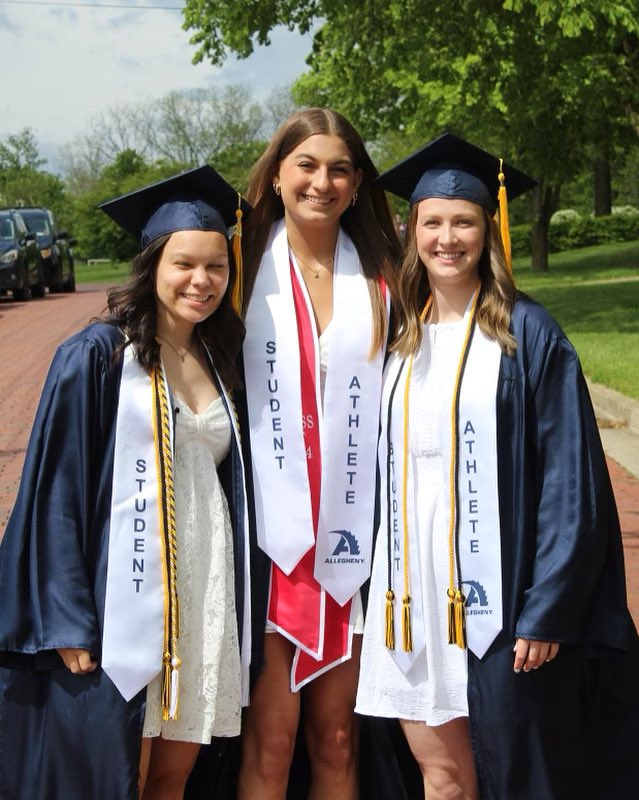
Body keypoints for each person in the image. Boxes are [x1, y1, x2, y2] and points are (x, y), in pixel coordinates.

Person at [356, 132, 639, 799]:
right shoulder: (401, 337)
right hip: (413, 597)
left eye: (464, 222)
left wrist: (548, 608)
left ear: (489, 229)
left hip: (501, 600)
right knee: (443, 775)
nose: (447, 238)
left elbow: (572, 484)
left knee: (519, 774)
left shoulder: (528, 333)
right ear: (412, 231)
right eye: (433, 223)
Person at [0, 166, 253, 799]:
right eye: (184, 264)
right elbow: (52, 491)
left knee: (175, 774)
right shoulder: (98, 356)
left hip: (204, 588)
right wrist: (67, 618)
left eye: (216, 266)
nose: (202, 281)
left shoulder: (220, 355)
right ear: (152, 264)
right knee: (120, 771)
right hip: (126, 596)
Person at [238, 107, 402, 799]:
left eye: (339, 168)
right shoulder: (238, 271)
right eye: (306, 165)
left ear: (358, 182)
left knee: (337, 735)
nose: (322, 182)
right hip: (266, 539)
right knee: (271, 739)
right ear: (276, 174)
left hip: (353, 533)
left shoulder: (387, 276)